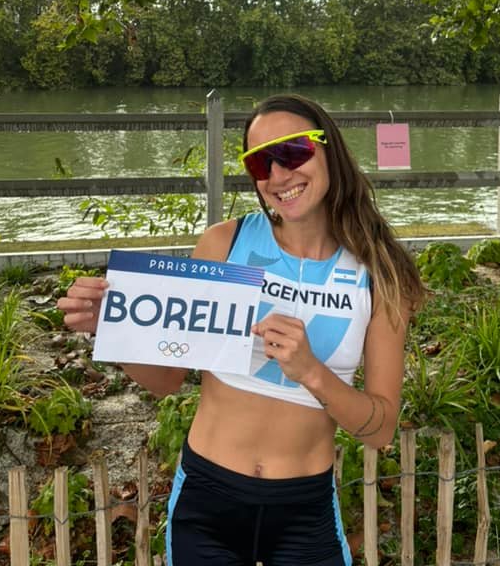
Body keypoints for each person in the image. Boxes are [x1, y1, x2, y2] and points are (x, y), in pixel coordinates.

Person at [58, 93, 425, 566]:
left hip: (305, 509)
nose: (277, 176)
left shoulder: (380, 272)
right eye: (259, 162)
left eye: (292, 152)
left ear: (328, 148)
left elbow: (380, 430)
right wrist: (111, 329)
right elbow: (168, 381)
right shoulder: (224, 244)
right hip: (207, 499)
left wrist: (312, 372)